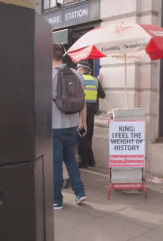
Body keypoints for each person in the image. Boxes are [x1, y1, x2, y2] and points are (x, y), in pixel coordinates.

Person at [52, 44, 87, 209]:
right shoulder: (75, 74)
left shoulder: (45, 76)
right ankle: (80, 193)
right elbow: (82, 101)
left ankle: (57, 200)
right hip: (72, 126)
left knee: (56, 164)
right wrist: (83, 122)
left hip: (53, 127)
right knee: (71, 160)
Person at [76, 61, 105, 168]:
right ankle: (90, 161)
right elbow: (102, 95)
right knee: (88, 136)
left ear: (81, 69)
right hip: (91, 111)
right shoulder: (95, 80)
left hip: (81, 110)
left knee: (81, 135)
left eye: (77, 68)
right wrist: (99, 83)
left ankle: (83, 162)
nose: (77, 70)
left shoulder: (79, 79)